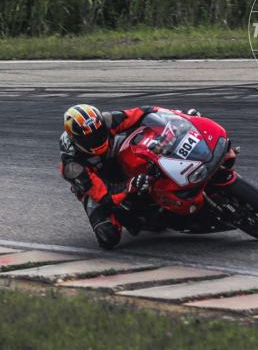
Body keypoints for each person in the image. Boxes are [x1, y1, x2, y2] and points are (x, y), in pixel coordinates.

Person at [59, 103, 201, 249]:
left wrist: (179, 116)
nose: (97, 139)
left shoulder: (106, 121)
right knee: (108, 237)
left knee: (143, 143)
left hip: (112, 155)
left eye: (99, 132)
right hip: (96, 185)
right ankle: (129, 214)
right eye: (90, 138)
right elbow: (105, 195)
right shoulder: (73, 167)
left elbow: (144, 112)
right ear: (76, 140)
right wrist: (131, 184)